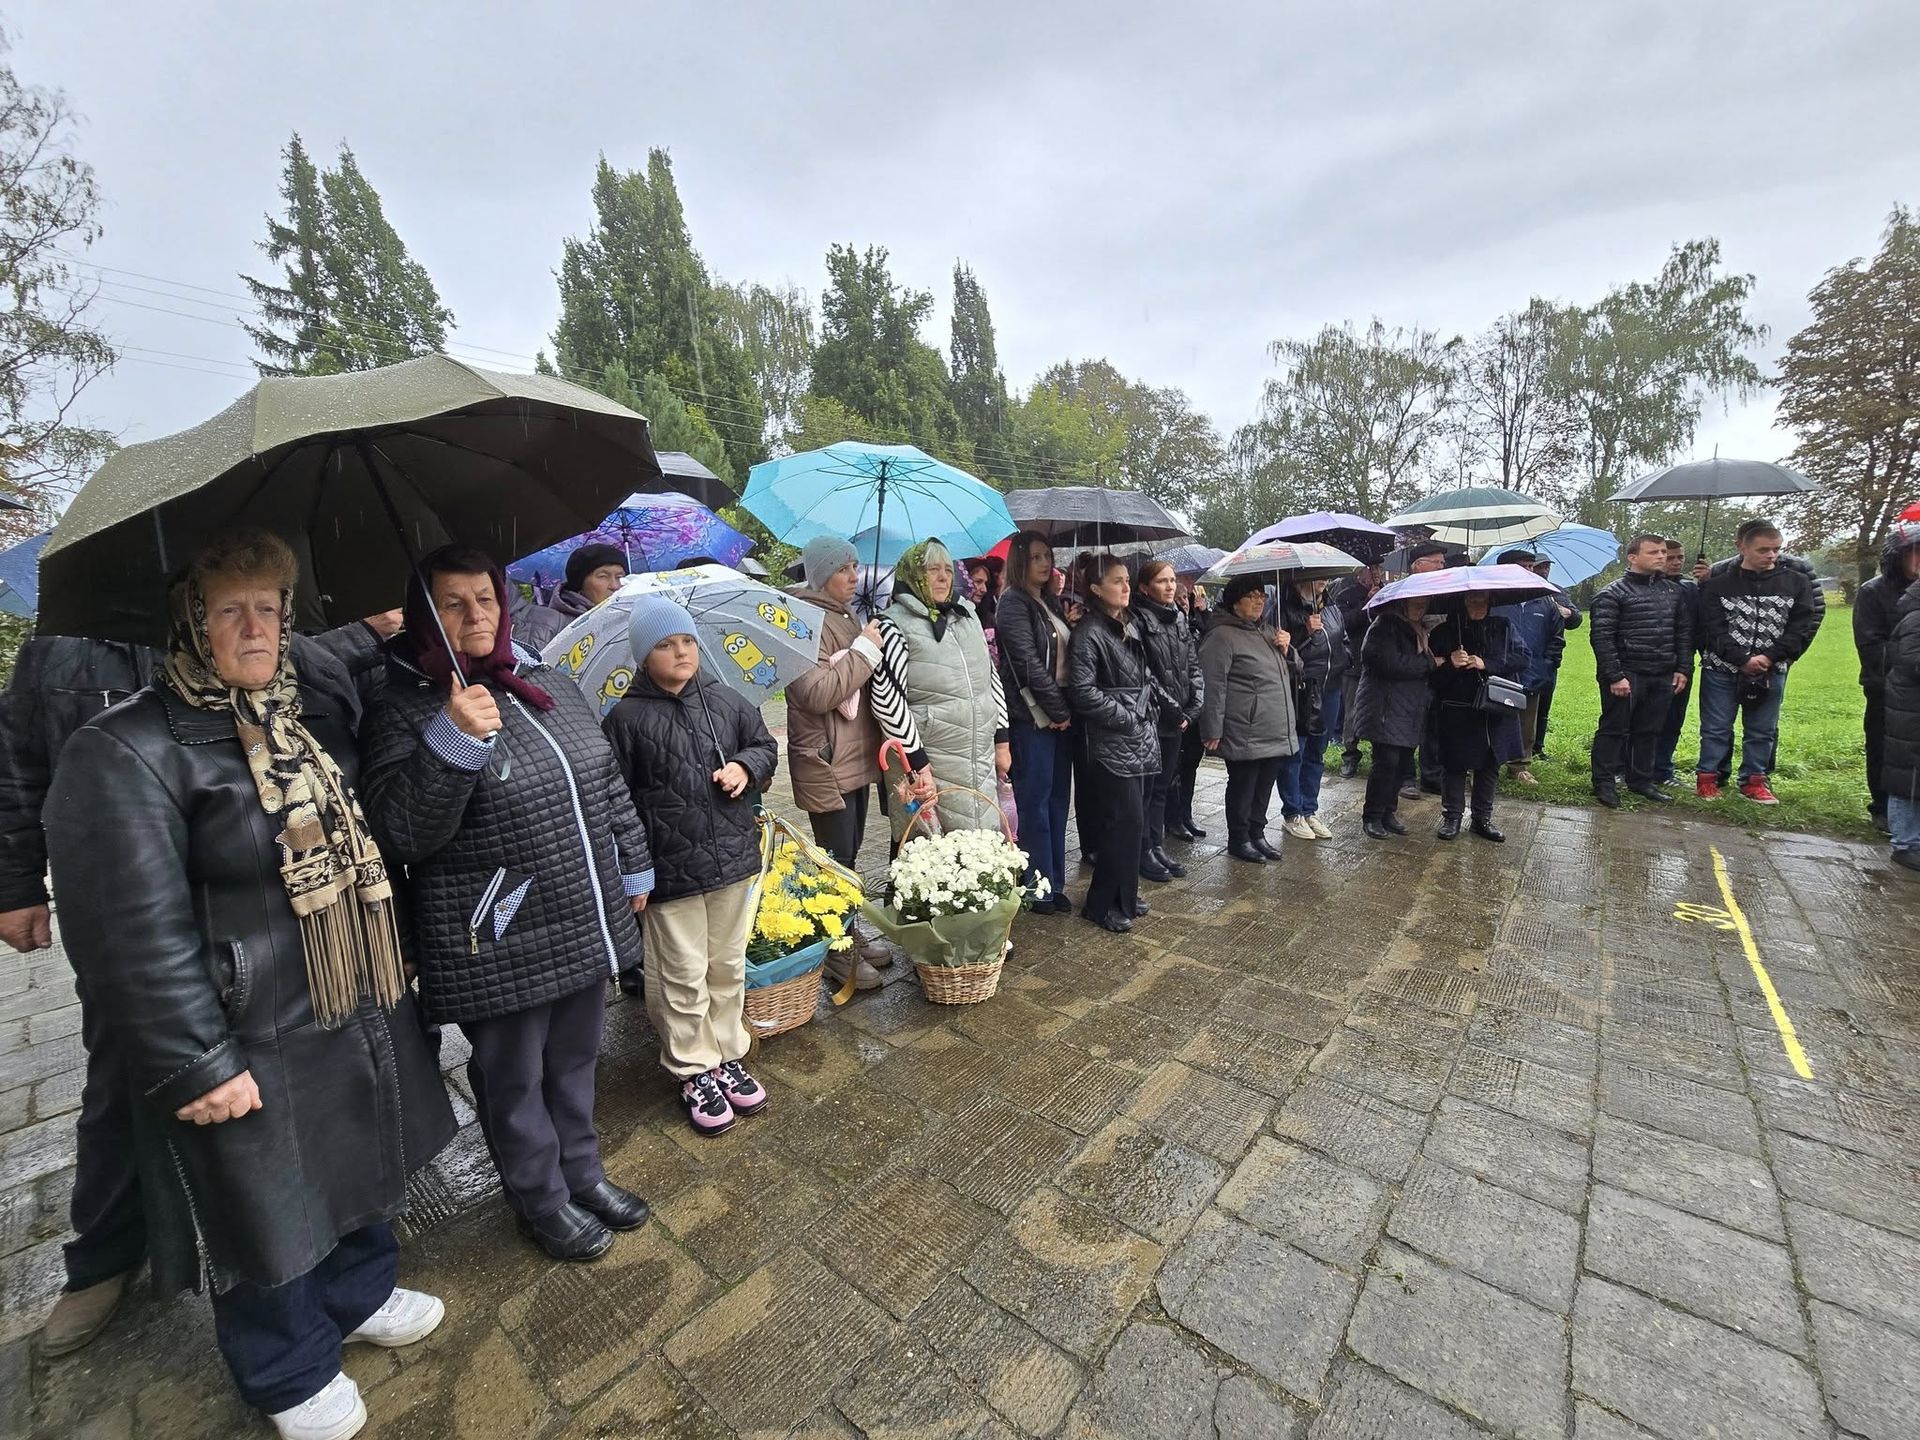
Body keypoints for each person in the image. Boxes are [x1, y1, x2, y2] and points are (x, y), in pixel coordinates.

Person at [43, 528, 456, 1439]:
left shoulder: (292, 720)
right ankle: (286, 1366)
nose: (256, 627)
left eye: (269, 607)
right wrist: (194, 1061)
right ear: (190, 622)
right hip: (240, 1018)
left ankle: (357, 1295)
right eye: (231, 609)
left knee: (355, 1156)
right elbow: (122, 932)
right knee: (262, 1200)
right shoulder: (127, 750)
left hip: (338, 995)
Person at [0, 620, 376, 1360]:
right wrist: (15, 881)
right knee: (124, 1081)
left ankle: (324, 1254)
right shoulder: (64, 651)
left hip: (260, 914)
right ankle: (104, 1256)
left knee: (282, 1098)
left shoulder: (279, 641)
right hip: (131, 914)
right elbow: (17, 764)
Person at [361, 546, 651, 1264]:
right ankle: (540, 1196)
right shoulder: (400, 706)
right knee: (514, 1074)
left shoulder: (541, 677)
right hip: (494, 925)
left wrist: (634, 862)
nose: (475, 615)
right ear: (425, 611)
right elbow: (402, 831)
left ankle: (582, 1172)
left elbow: (602, 775)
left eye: (485, 599)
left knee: (577, 1057)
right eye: (453, 603)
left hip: (579, 905)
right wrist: (451, 738)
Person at [605, 596, 779, 1135]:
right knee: (681, 974)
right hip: (669, 870)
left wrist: (746, 769)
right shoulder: (626, 718)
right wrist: (633, 867)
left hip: (729, 858)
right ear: (643, 655)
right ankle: (692, 1065)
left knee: (725, 966)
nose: (680, 652)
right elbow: (613, 796)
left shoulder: (725, 701)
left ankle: (727, 1050)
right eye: (664, 644)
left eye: (685, 641)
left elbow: (765, 745)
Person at [783, 536, 891, 987]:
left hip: (855, 757)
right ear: (822, 572)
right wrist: (865, 651)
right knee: (834, 860)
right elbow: (815, 692)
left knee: (848, 857)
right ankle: (834, 948)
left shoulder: (846, 617)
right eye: (845, 568)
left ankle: (847, 932)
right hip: (825, 762)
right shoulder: (801, 622)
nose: (854, 576)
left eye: (856, 567)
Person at [871, 538, 1011, 837]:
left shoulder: (967, 615)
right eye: (932, 569)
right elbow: (887, 700)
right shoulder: (892, 625)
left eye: (947, 569)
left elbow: (991, 678)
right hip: (928, 759)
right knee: (929, 853)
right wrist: (917, 765)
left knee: (979, 844)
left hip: (978, 753)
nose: (943, 576)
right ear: (912, 574)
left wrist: (1002, 741)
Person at [1693, 520, 1821, 804]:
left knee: (1762, 729)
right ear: (1743, 548)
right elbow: (1712, 627)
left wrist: (1769, 657)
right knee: (1716, 727)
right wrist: (1740, 659)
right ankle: (1708, 779)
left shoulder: (1795, 583)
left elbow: (1800, 625)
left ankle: (1754, 782)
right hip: (1722, 668)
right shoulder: (1718, 584)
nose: (1771, 556)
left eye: (1776, 550)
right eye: (1764, 550)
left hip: (1770, 668)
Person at [1066, 555, 1158, 932]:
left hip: (1136, 737)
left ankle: (1125, 894)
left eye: (1126, 580)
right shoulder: (1089, 631)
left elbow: (1144, 673)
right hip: (1108, 740)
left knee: (1133, 824)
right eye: (1116, 581)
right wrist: (1124, 717)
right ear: (1095, 589)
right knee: (1123, 821)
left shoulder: (1128, 625)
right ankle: (1101, 904)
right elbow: (1083, 691)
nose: (1124, 586)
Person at [996, 530, 1076, 913]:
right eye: (1038, 557)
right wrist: (1059, 710)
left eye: (1049, 556)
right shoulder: (1012, 603)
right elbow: (1028, 664)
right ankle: (1035, 886)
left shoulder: (1048, 602)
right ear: (1021, 560)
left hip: (1060, 716)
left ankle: (1054, 880)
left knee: (1059, 800)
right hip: (1032, 717)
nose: (1046, 563)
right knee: (1035, 804)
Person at [1198, 574, 1299, 863]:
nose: (1259, 601)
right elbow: (1213, 686)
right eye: (1251, 595)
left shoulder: (1268, 631)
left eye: (1262, 595)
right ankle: (1239, 838)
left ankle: (1257, 834)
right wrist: (1212, 729)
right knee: (1244, 785)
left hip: (1274, 727)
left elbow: (1294, 669)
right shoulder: (1221, 636)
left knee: (1264, 785)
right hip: (1244, 728)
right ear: (1234, 602)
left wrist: (1287, 648)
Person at [1588, 534, 1693, 808]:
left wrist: (1682, 667)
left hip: (1662, 672)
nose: (1662, 556)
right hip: (1627, 673)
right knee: (1614, 729)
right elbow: (1602, 638)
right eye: (1653, 552)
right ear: (1633, 558)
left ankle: (1641, 780)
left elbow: (1683, 632)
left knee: (1650, 729)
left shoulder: (1674, 592)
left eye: (1663, 552)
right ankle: (1604, 782)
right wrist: (1615, 676)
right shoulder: (1613, 593)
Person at [1428, 592, 1528, 842]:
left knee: (1490, 763)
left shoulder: (1503, 626)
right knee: (1454, 764)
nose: (1478, 606)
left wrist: (1487, 663)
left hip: (1494, 708)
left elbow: (1523, 658)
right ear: (1462, 603)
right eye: (1472, 601)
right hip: (1456, 708)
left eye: (1483, 601)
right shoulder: (1443, 632)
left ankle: (1482, 818)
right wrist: (1451, 663)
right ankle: (1452, 817)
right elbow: (1432, 678)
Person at [1131, 556, 1204, 880]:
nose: (1170, 586)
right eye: (1162, 581)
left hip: (1178, 719)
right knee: (1147, 789)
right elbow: (1145, 671)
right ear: (1145, 587)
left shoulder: (1179, 618)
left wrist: (1195, 703)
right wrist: (1174, 708)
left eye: (1172, 580)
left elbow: (1193, 665)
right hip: (1155, 717)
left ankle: (1156, 845)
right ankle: (1143, 848)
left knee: (1163, 785)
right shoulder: (1138, 619)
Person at [1490, 549, 1576, 786]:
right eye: (1524, 567)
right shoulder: (1492, 599)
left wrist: (1548, 666)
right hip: (1497, 670)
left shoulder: (1546, 600)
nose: (1531, 571)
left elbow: (1556, 638)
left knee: (1527, 721)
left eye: (1531, 567)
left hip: (1533, 671)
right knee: (1491, 717)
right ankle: (1487, 765)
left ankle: (1519, 766)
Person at [1353, 597, 1438, 839]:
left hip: (1409, 708)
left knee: (1401, 763)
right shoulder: (1383, 626)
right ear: (1402, 604)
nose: (1420, 608)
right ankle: (1372, 815)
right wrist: (1430, 663)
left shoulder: (1419, 630)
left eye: (1424, 605)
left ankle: (1388, 812)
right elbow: (1389, 663)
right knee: (1386, 762)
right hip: (1384, 706)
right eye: (1415, 604)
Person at [1856, 524, 1920, 833]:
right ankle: (1883, 808)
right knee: (1883, 748)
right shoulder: (1874, 591)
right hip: (1885, 686)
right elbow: (1871, 645)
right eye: (1915, 552)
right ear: (1899, 556)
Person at [1274, 577, 1341, 840]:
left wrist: (1342, 661)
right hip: (1301, 687)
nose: (1323, 581)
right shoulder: (1283, 607)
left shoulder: (1331, 606)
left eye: (1326, 575)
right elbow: (1282, 652)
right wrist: (1305, 632)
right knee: (1296, 751)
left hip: (1330, 686)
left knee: (1317, 750)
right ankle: (1293, 812)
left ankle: (1309, 809)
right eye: (1317, 575)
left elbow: (1341, 639)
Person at [1879, 537, 1920, 872]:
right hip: (1911, 708)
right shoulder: (1916, 610)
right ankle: (1907, 842)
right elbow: (1911, 659)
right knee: (1908, 775)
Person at [1401, 542, 1451, 798]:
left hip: (1438, 670)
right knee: (1408, 726)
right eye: (1437, 562)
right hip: (1407, 671)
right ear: (1418, 565)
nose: (1442, 566)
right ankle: (1406, 778)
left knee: (1433, 726)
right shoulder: (1400, 593)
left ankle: (1431, 776)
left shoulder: (1445, 592)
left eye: (1443, 562)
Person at [1651, 538, 1702, 785]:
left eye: (1680, 557)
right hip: (1650, 662)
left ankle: (1662, 770)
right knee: (1641, 719)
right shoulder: (1646, 586)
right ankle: (1628, 767)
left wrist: (1707, 583)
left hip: (1682, 661)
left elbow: (1696, 626)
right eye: (1669, 557)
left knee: (1673, 718)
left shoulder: (1690, 588)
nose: (1675, 562)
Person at [1166, 580, 1214, 836]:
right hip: (1176, 708)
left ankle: (1185, 814)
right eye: (1178, 597)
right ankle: (1173, 819)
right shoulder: (1168, 627)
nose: (1182, 601)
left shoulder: (1195, 624)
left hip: (1195, 706)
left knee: (1191, 765)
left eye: (1186, 597)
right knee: (1173, 767)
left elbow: (1209, 642)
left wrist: (1202, 611)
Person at [1329, 563, 1382, 778]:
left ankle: (1380, 755)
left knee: (1380, 710)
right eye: (1371, 568)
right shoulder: (1345, 595)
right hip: (1354, 662)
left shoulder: (1387, 590)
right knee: (1351, 712)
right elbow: (1345, 624)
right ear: (1360, 572)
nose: (1376, 572)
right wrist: (1367, 603)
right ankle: (1350, 755)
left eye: (1379, 567)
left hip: (1380, 661)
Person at [1528, 555, 1581, 758]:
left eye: (1546, 566)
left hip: (1549, 656)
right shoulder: (1519, 590)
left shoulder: (1555, 591)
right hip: (1525, 654)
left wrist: (1566, 612)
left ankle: (1537, 747)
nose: (1543, 570)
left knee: (1543, 705)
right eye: (1539, 566)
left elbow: (1575, 619)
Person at [965, 557, 1001, 629]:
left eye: (986, 583)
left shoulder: (989, 620)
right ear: (964, 580)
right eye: (978, 582)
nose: (984, 590)